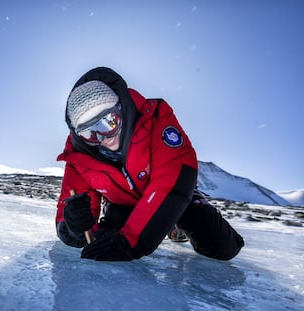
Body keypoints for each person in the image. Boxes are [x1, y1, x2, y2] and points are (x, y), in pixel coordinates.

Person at [55, 66, 244, 261]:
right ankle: (160, 224)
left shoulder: (155, 118)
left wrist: (131, 242)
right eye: (89, 133)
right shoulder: (78, 156)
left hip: (172, 196)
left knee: (221, 247)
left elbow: (172, 184)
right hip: (122, 204)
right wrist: (74, 227)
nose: (102, 137)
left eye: (109, 122)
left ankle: (173, 224)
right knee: (105, 240)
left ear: (121, 107)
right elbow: (68, 213)